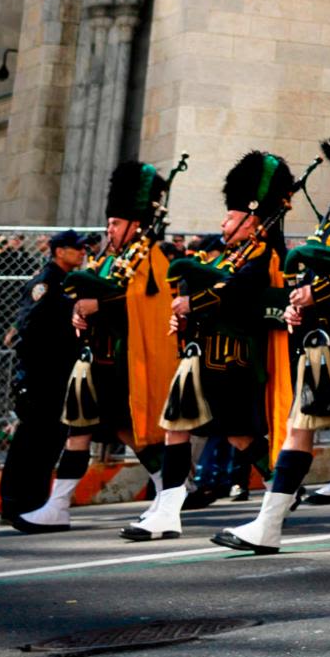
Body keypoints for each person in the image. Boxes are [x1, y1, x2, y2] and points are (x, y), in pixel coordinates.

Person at [218, 106, 330, 553]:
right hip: (328, 346)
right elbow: (323, 277)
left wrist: (317, 294)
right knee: (301, 428)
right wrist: (302, 301)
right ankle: (269, 524)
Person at [127, 153, 294, 541]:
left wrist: (193, 303)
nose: (223, 223)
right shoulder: (229, 254)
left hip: (236, 362)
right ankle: (168, 510)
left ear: (251, 220)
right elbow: (209, 286)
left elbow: (239, 292)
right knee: (176, 426)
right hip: (203, 358)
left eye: (231, 217)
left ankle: (281, 488)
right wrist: (184, 315)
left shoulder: (264, 255)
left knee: (240, 436)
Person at [15, 163, 174, 532]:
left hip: (124, 360)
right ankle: (58, 506)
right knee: (80, 429)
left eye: (117, 224)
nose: (110, 230)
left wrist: (98, 306)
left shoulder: (151, 256)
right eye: (110, 223)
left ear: (136, 224)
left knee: (128, 432)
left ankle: (169, 495)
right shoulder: (112, 258)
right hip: (96, 360)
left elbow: (149, 306)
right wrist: (78, 310)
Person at [0, 231, 89, 530]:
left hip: (59, 373)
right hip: (42, 375)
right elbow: (30, 325)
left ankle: (35, 503)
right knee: (31, 440)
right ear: (59, 251)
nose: (82, 252)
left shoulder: (70, 282)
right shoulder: (47, 282)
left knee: (49, 441)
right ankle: (15, 504)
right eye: (76, 248)